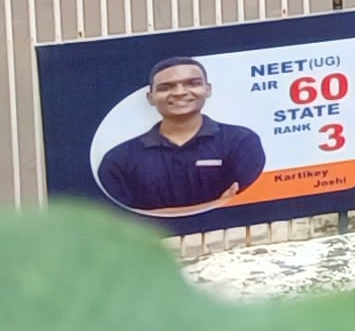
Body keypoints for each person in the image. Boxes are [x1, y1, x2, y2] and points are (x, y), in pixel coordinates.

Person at [94, 55, 267, 217]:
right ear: (150, 97)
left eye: (192, 83)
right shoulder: (119, 160)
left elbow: (246, 207)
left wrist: (157, 213)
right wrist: (216, 203)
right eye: (166, 87)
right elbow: (123, 220)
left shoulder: (241, 142)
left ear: (208, 89)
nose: (179, 92)